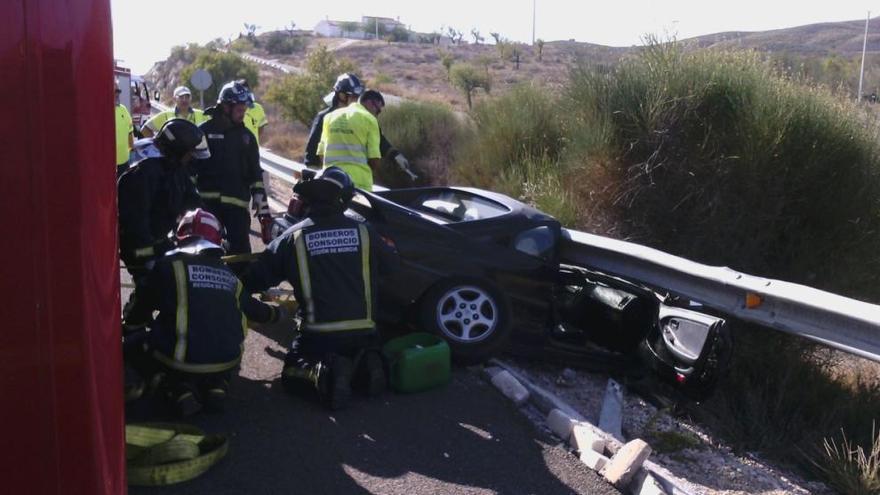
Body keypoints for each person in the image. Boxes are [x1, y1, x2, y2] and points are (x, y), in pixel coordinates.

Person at [242, 167, 397, 410]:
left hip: (318, 336)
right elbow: (391, 266)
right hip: (365, 333)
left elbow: (254, 279)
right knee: (359, 350)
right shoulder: (365, 232)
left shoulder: (293, 237)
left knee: (291, 375)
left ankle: (324, 372)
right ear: (345, 200)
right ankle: (367, 363)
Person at [123, 208, 282, 416]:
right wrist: (276, 314)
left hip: (180, 360)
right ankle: (218, 385)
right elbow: (252, 309)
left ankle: (175, 388)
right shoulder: (228, 275)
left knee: (133, 345)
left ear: (178, 238)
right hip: (228, 360)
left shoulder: (167, 266)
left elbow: (141, 305)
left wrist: (131, 327)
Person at [118, 118, 209, 288]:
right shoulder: (144, 174)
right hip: (140, 249)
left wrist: (210, 229)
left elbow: (193, 202)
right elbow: (136, 221)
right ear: (178, 150)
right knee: (151, 292)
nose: (192, 159)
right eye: (189, 154)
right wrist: (148, 258)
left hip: (160, 243)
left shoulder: (174, 169)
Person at [192, 80, 269, 258]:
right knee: (205, 249)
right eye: (240, 110)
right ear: (226, 107)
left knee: (240, 252)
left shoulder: (247, 137)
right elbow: (190, 167)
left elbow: (254, 170)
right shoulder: (203, 131)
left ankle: (242, 284)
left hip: (237, 205)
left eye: (244, 110)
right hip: (206, 204)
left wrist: (258, 193)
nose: (243, 114)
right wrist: (189, 198)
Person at [304, 74, 414, 180]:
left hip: (352, 181)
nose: (356, 100)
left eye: (357, 96)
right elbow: (312, 150)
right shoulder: (325, 117)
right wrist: (312, 174)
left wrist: (394, 155)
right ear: (342, 96)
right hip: (329, 179)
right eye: (353, 96)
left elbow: (380, 140)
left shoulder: (362, 118)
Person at [316, 90, 389, 191]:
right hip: (358, 184)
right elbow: (374, 158)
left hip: (330, 179)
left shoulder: (330, 117)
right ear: (370, 103)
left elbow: (321, 153)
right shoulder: (370, 120)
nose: (377, 115)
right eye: (378, 110)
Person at [140, 85, 206, 137]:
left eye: (187, 97)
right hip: (173, 153)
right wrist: (156, 145)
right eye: (181, 97)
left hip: (197, 152)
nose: (184, 100)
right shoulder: (166, 115)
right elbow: (145, 129)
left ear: (191, 98)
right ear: (174, 99)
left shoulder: (202, 114)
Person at [238, 79, 268, 146]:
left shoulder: (258, 108)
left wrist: (253, 139)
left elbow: (261, 128)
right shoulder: (233, 108)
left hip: (252, 149)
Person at [115, 79, 134, 177]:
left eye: (118, 91)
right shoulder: (100, 110)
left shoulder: (123, 109)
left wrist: (132, 153)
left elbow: (130, 132)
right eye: (114, 91)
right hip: (108, 163)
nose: (116, 94)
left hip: (124, 161)